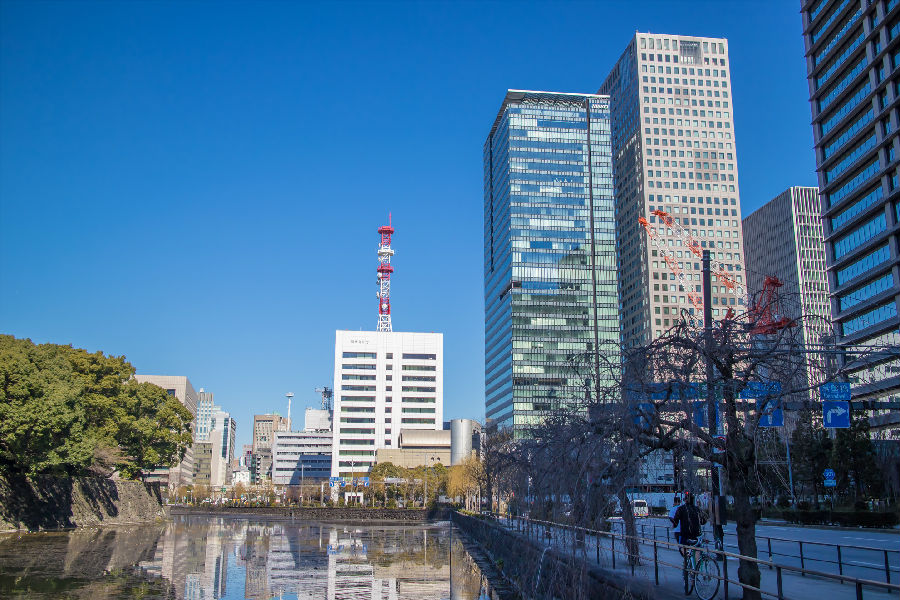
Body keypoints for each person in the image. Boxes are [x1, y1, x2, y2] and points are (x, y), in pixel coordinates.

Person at [672, 491, 708, 593]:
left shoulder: (681, 509)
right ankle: (695, 571)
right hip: (696, 537)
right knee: (697, 553)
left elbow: (675, 521)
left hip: (685, 537)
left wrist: (674, 525)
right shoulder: (697, 509)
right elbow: (703, 521)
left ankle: (690, 572)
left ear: (684, 500)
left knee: (686, 554)